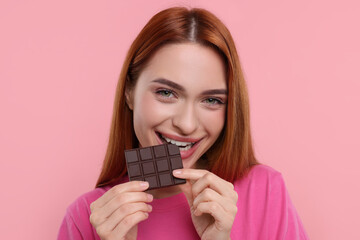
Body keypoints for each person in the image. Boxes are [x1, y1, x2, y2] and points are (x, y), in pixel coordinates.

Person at [58, 7, 309, 240]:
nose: (187, 125)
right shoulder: (87, 218)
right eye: (166, 93)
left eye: (211, 99)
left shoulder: (264, 192)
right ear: (129, 92)